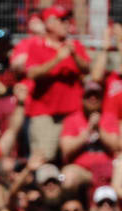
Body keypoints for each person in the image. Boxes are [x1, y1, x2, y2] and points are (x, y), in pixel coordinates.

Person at [25, 5, 90, 161]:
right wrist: (58, 59)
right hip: (45, 114)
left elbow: (87, 69)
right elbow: (32, 73)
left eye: (67, 20)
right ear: (49, 24)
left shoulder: (74, 46)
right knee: (44, 158)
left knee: (73, 158)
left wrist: (74, 55)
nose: (67, 24)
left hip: (72, 113)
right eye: (62, 20)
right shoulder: (37, 45)